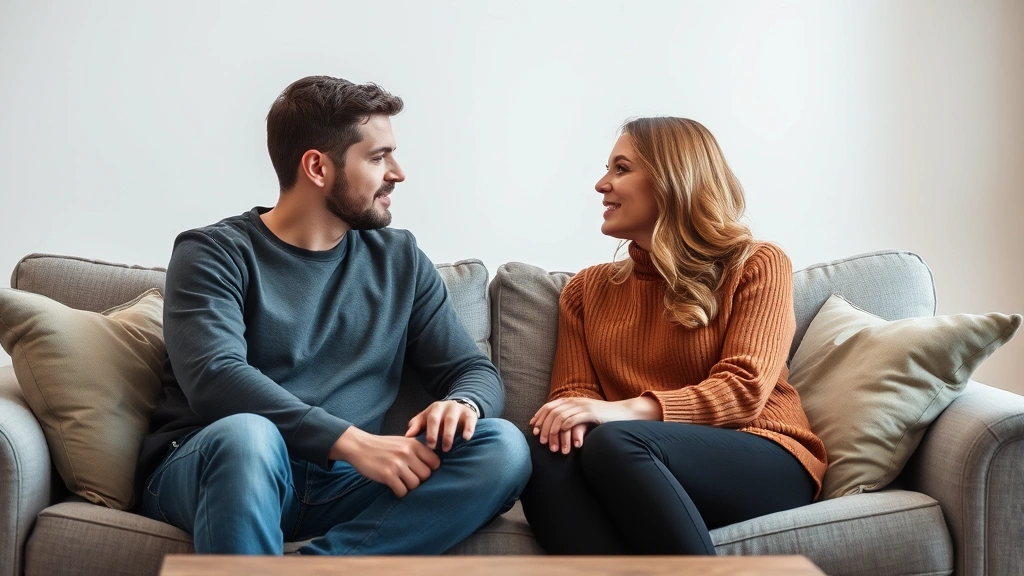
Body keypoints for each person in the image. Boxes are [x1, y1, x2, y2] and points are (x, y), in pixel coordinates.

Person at [136, 75, 531, 556]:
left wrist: (464, 404)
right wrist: (351, 442)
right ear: (318, 167)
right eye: (378, 156)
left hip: (341, 484)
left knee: (502, 446)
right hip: (218, 466)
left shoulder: (400, 260)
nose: (398, 172)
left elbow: (472, 370)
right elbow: (215, 376)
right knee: (248, 435)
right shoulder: (214, 252)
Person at [520, 117, 827, 555]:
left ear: (670, 180)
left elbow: (744, 390)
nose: (601, 184)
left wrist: (619, 411)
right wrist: (583, 416)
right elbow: (572, 399)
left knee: (613, 440)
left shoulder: (757, 263)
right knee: (543, 446)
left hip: (764, 454)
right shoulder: (586, 291)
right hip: (632, 465)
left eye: (621, 169)